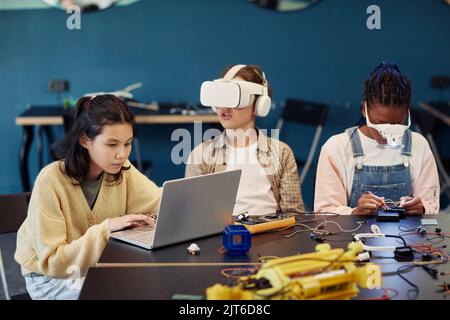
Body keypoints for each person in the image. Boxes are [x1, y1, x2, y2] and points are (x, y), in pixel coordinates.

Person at [15, 94, 161, 299]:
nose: (122, 154)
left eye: (127, 143)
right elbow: (54, 262)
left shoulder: (121, 169)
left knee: (149, 285)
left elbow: (161, 202)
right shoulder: (50, 180)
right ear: (85, 139)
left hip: (94, 267)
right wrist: (107, 228)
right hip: (50, 278)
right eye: (112, 145)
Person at [314, 61, 439, 215]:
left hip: (408, 237)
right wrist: (354, 212)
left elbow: (432, 208)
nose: (387, 135)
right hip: (353, 238)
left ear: (407, 114)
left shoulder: (419, 145)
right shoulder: (337, 147)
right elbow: (325, 213)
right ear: (364, 110)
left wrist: (422, 208)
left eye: (397, 124)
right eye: (380, 125)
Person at [186, 64, 304, 216]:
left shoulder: (281, 153)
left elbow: (294, 215)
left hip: (274, 235)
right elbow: (194, 215)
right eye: (221, 96)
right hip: (222, 236)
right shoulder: (201, 155)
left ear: (260, 104)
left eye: (235, 98)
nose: (224, 107)